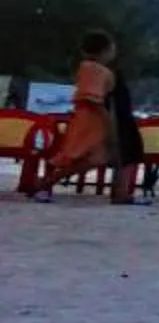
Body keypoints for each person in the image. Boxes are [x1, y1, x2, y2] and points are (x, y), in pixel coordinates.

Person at [27, 30, 121, 199]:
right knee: (88, 156)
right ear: (106, 51)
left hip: (88, 118)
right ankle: (45, 183)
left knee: (91, 157)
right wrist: (108, 122)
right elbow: (93, 100)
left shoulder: (87, 68)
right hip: (91, 121)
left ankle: (45, 182)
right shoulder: (96, 70)